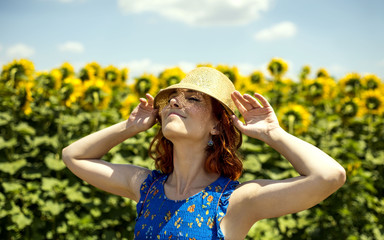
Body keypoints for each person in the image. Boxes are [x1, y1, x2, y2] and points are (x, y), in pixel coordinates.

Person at [62, 67, 346, 239]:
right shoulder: (145, 187)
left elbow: (329, 176)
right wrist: (127, 127)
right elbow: (73, 156)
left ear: (215, 126)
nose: (175, 100)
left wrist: (275, 134)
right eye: (173, 97)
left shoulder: (235, 202)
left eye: (193, 98)